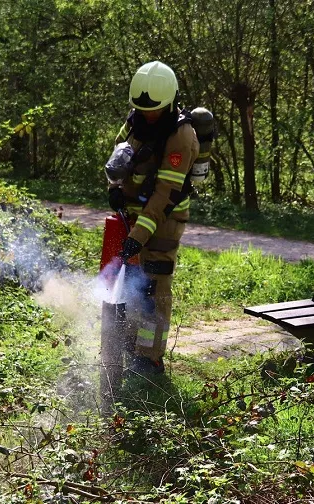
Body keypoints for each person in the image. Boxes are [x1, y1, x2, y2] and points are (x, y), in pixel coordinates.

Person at [106, 61, 199, 375]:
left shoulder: (181, 135)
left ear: (170, 102)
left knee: (153, 288)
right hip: (133, 216)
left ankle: (150, 358)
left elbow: (165, 195)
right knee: (132, 284)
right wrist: (115, 188)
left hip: (163, 221)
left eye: (154, 111)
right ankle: (132, 347)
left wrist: (138, 237)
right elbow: (120, 158)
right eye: (142, 110)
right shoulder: (137, 120)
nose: (148, 115)